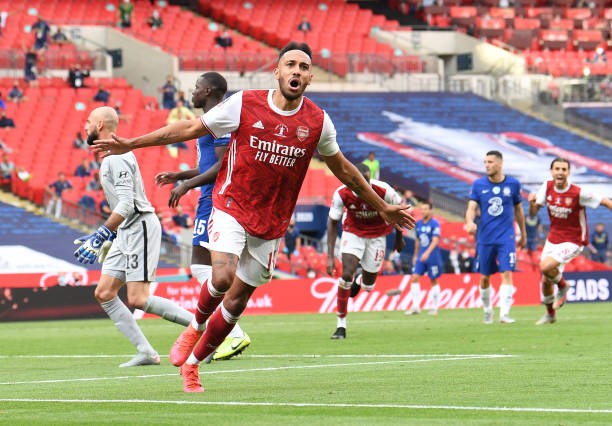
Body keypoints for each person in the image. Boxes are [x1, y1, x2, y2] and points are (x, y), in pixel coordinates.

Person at [92, 41, 414, 392]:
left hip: (272, 222)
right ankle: (195, 326)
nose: (296, 71)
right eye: (290, 64)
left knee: (237, 302)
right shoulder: (246, 104)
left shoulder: (318, 122)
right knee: (223, 274)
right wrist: (132, 143)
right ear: (277, 72)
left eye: (303, 68)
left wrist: (382, 207)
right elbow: (188, 129)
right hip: (231, 205)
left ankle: (193, 365)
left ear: (309, 78)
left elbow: (345, 170)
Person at [77, 106, 195, 367]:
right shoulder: (114, 155)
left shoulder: (116, 158)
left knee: (138, 298)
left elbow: (127, 204)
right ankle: (146, 352)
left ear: (99, 126)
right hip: (127, 231)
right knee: (105, 292)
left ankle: (207, 327)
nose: (84, 126)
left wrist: (100, 235)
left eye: (88, 122)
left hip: (139, 224)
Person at [155, 72, 251, 364]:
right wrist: (181, 175)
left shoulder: (219, 121)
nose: (192, 93)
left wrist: (187, 185)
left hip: (215, 199)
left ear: (208, 91)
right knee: (202, 267)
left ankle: (232, 332)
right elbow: (209, 164)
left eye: (196, 88)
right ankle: (227, 329)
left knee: (203, 267)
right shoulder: (210, 122)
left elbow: (223, 164)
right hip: (210, 196)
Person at [528, 158, 612, 325]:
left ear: (568, 172)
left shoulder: (578, 193)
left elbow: (605, 201)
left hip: (573, 241)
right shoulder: (547, 186)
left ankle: (563, 286)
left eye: (564, 169)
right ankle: (550, 314)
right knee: (545, 280)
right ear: (552, 172)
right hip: (553, 239)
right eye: (557, 169)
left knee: (544, 266)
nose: (560, 172)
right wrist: (532, 203)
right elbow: (533, 212)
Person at [326, 162, 404, 339]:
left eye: (368, 180)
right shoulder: (341, 193)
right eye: (362, 181)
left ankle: (361, 280)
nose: (366, 184)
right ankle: (341, 326)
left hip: (377, 237)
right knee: (346, 275)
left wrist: (399, 238)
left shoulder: (384, 190)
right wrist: (330, 257)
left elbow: (400, 210)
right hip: (353, 233)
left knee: (369, 286)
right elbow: (332, 222)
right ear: (353, 181)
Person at [465, 150, 526, 324]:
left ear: (500, 164)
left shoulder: (513, 184)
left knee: (507, 272)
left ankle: (504, 314)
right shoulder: (478, 184)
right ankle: (487, 310)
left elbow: (519, 211)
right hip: (485, 238)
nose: (487, 165)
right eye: (485, 162)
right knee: (485, 277)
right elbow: (471, 207)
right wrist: (469, 222)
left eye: (490, 162)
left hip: (506, 237)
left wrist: (523, 234)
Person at [406, 201, 443, 316]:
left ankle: (435, 307)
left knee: (433, 280)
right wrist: (415, 255)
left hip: (432, 256)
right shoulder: (419, 224)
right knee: (415, 278)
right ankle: (416, 306)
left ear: (431, 211)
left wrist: (427, 253)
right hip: (421, 255)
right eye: (422, 209)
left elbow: (435, 240)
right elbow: (418, 240)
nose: (423, 211)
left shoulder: (435, 224)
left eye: (425, 209)